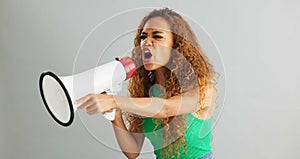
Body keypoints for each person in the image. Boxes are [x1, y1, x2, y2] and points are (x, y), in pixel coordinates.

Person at [75, 8, 218, 159]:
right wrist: (116, 115)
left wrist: (113, 101)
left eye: (157, 36)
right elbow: (133, 150)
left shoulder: (204, 89)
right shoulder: (145, 93)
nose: (146, 42)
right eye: (143, 37)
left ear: (176, 45)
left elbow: (166, 109)